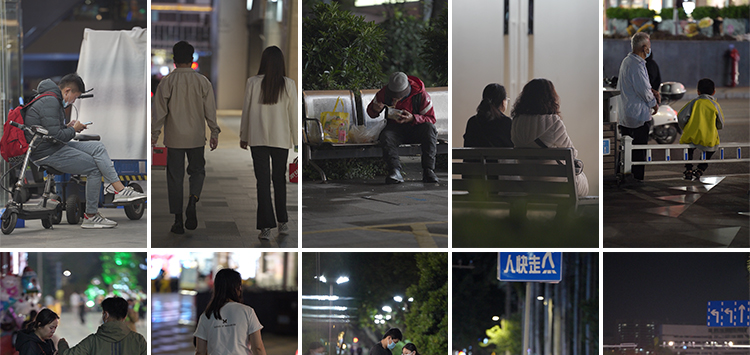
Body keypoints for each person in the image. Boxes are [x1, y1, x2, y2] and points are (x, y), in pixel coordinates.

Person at [24, 74, 147, 229]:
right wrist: (73, 130)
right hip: (46, 152)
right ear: (67, 91)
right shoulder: (51, 101)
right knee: (94, 168)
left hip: (52, 146)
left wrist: (68, 127)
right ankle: (91, 215)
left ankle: (120, 190)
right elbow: (55, 137)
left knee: (98, 146)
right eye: (75, 97)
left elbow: (51, 131)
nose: (73, 101)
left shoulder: (50, 98)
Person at [152, 40, 221, 235]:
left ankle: (177, 220)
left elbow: (159, 112)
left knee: (175, 177)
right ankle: (193, 199)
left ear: (174, 60)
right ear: (192, 59)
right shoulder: (202, 82)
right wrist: (214, 132)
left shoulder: (167, 82)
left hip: (174, 138)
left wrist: (154, 135)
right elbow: (210, 111)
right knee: (197, 171)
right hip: (196, 138)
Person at [239, 46, 297, 240]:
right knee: (279, 180)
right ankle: (283, 222)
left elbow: (246, 111)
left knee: (262, 182)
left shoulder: (252, 83)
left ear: (263, 61)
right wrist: (297, 141)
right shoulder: (288, 84)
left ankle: (265, 227)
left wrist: (244, 135)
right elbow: (293, 115)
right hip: (281, 139)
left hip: (257, 138)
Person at [510, 78, 589, 196]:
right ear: (550, 98)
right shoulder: (554, 123)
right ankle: (566, 213)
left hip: (527, 182)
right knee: (582, 179)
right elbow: (572, 153)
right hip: (555, 184)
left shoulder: (516, 123)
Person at [366, 72, 438, 184]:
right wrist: (375, 109)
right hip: (395, 129)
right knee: (386, 136)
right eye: (393, 95)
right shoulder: (384, 93)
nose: (395, 98)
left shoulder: (421, 95)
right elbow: (371, 112)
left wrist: (413, 118)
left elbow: (431, 119)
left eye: (398, 95)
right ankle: (394, 171)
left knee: (429, 129)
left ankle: (428, 170)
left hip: (416, 128)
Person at [616, 32, 660, 182]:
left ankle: (626, 176)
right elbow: (643, 91)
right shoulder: (637, 64)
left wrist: (650, 91)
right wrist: (654, 103)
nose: (650, 50)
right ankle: (636, 179)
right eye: (649, 47)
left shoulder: (627, 61)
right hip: (638, 116)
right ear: (644, 47)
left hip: (626, 114)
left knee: (626, 150)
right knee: (638, 151)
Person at [194, 268, 266, 355]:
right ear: (238, 288)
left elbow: (200, 351)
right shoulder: (247, 312)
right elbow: (258, 348)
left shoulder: (206, 315)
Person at [57, 296, 147, 355]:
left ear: (106, 315)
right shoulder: (139, 340)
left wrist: (62, 344)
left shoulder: (92, 341)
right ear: (125, 316)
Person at [677, 78, 724, 180]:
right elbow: (721, 124)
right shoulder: (714, 105)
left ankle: (688, 169)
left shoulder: (694, 103)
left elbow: (681, 117)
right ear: (714, 92)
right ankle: (701, 169)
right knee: (712, 147)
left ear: (698, 92)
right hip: (708, 137)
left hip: (691, 134)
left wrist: (685, 127)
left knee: (688, 149)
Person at [464, 83, 513, 148]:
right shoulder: (506, 122)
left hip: (477, 158)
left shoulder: (472, 122)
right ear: (503, 102)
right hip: (498, 158)